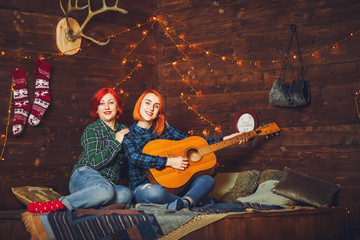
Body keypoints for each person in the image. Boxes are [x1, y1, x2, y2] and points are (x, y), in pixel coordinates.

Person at [122, 90, 246, 210]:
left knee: (207, 180)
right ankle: (190, 201)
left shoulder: (165, 129)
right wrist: (169, 162)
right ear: (140, 105)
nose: (151, 108)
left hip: (176, 187)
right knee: (153, 193)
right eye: (147, 103)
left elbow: (195, 143)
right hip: (146, 188)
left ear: (159, 111)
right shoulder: (128, 134)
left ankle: (184, 202)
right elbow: (135, 157)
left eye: (156, 106)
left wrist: (226, 138)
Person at [27, 88, 133, 213]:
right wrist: (116, 142)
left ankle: (91, 205)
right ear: (96, 110)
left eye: (111, 102)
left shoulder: (125, 130)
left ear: (118, 106)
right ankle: (58, 203)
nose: (107, 107)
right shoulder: (92, 130)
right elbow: (94, 162)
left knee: (126, 194)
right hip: (84, 177)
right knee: (105, 190)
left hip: (109, 185)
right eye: (102, 103)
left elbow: (130, 160)